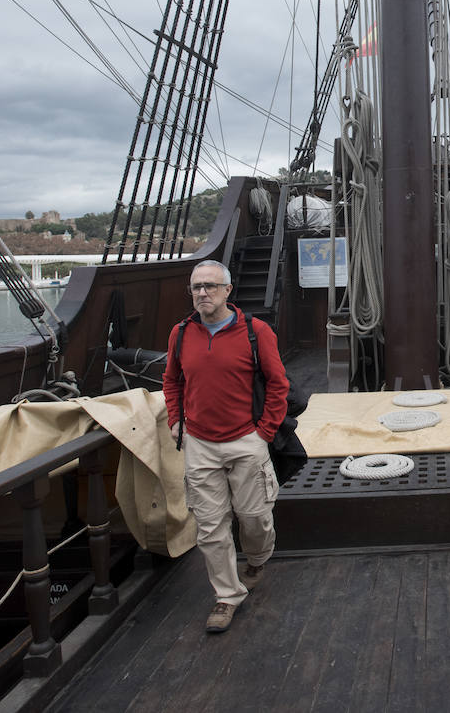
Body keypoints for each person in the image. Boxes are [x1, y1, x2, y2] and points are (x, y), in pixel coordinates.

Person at [164, 259, 290, 634]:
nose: (202, 293)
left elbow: (278, 384)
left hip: (245, 440)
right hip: (200, 443)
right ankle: (226, 595)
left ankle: (257, 559)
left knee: (254, 518)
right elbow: (172, 381)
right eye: (196, 287)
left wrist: (264, 433)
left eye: (210, 286)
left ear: (227, 291)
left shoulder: (255, 331)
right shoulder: (181, 333)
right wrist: (176, 421)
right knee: (210, 526)